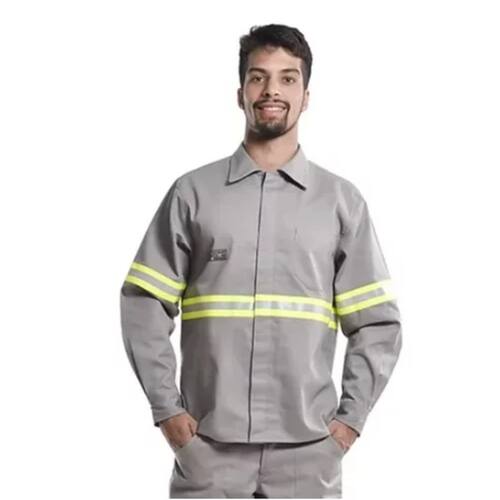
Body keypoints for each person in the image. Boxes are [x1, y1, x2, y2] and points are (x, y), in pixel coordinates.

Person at [119, 23, 403, 498]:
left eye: (288, 78)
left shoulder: (341, 202)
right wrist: (168, 411)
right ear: (240, 93)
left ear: (306, 96)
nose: (272, 90)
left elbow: (376, 323)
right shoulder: (193, 194)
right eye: (258, 77)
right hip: (207, 448)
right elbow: (144, 302)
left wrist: (348, 424)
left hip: (309, 453)